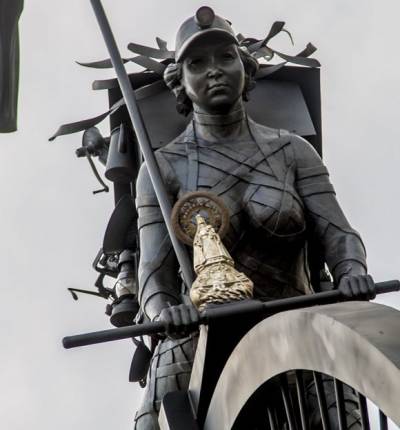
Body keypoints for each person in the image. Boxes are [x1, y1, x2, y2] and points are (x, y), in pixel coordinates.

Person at [134, 7, 375, 429]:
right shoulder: (162, 169)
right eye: (197, 63)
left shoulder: (293, 151)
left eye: (225, 58)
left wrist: (352, 271)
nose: (214, 71)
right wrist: (163, 313)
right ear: (180, 81)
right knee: (160, 403)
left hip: (300, 323)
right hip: (204, 334)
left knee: (345, 417)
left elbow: (340, 236)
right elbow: (153, 274)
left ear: (244, 67)